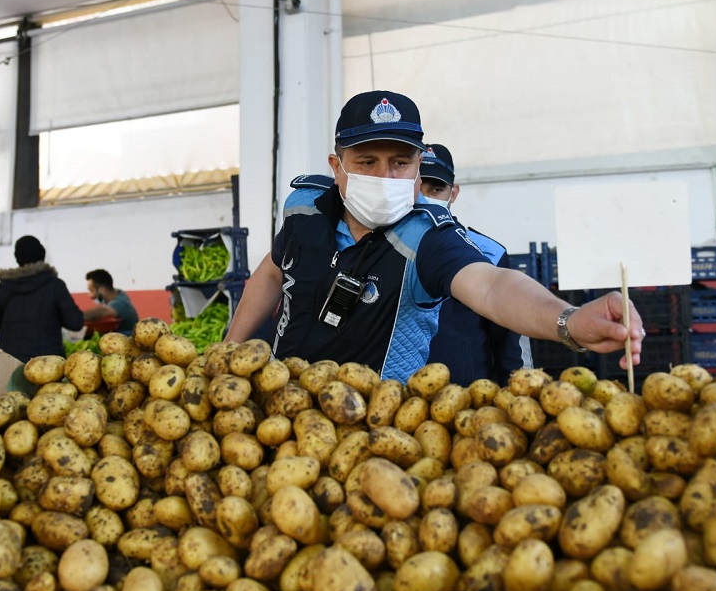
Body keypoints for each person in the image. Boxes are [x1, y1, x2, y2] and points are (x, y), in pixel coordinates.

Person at [224, 91, 643, 382]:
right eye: (367, 162)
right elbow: (272, 272)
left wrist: (568, 321)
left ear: (418, 168)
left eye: (400, 163)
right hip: (281, 411)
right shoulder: (304, 208)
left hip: (372, 435)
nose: (385, 177)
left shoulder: (426, 238)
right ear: (337, 165)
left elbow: (493, 287)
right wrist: (230, 349)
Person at [418, 143, 527, 386]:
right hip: (399, 405)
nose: (425, 198)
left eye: (436, 189)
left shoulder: (490, 253)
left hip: (470, 404)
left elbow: (508, 341)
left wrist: (514, 394)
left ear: (453, 193)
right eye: (418, 188)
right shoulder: (386, 247)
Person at [0, 235, 84, 363]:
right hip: (48, 365)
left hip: (10, 363)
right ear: (42, 255)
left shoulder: (3, 287)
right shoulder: (55, 285)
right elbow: (75, 322)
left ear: (17, 258)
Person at [82, 269, 140, 334]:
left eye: (91, 291)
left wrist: (77, 317)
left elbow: (103, 311)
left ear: (101, 290)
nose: (90, 296)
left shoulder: (121, 303)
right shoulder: (119, 293)